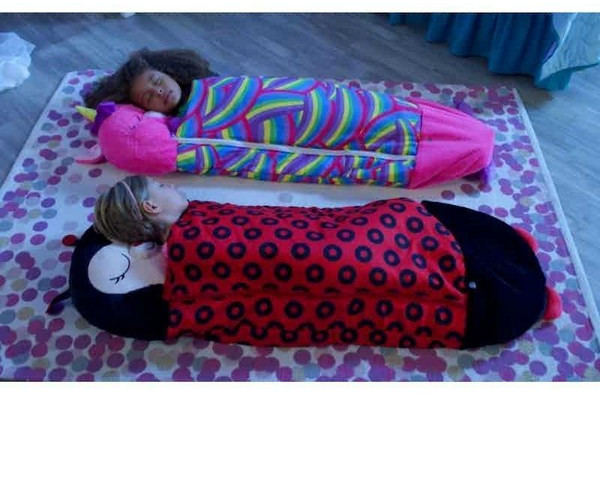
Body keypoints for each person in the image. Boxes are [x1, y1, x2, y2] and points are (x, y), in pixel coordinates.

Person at [91, 175, 558, 349]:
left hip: (333, 234)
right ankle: (474, 281)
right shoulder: (191, 244)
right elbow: (271, 259)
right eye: (163, 188)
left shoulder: (201, 215)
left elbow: (279, 224)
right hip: (329, 264)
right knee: (372, 269)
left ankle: (483, 247)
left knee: (385, 217)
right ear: (151, 207)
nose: (173, 186)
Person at [83, 48, 217, 114]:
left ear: (169, 72)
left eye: (157, 81)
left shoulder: (210, 83)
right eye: (148, 97)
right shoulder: (167, 129)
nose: (158, 91)